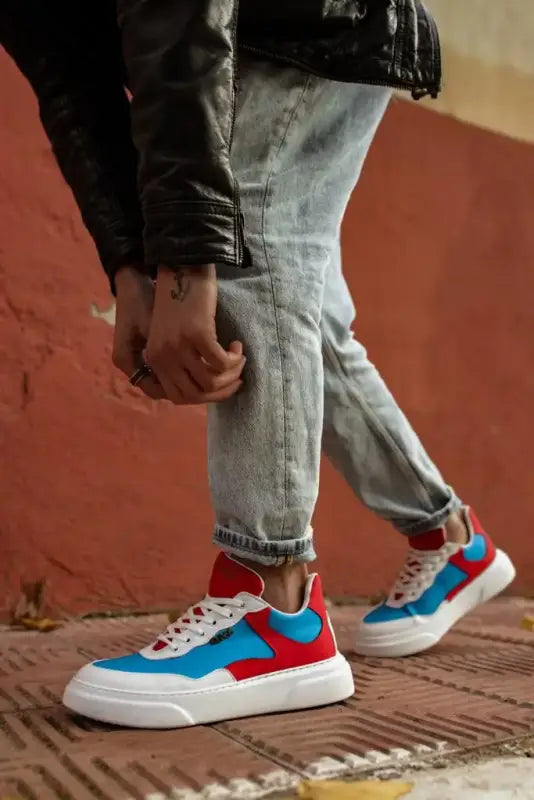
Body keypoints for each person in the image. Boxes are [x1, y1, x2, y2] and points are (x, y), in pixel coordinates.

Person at [1, 0, 515, 729]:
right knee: (306, 317)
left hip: (310, 18)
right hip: (265, 31)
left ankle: (273, 605)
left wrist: (184, 259)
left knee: (251, 242)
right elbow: (71, 82)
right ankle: (446, 536)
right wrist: (131, 266)